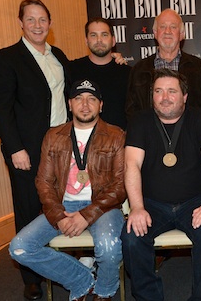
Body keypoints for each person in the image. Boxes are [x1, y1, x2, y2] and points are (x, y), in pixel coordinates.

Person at [9, 79, 126, 301]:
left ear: (101, 105)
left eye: (91, 99)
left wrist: (86, 214)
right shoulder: (53, 136)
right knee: (19, 247)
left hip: (103, 205)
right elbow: (43, 182)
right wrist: (58, 215)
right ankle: (83, 280)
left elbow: (120, 186)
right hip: (63, 204)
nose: (85, 104)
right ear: (69, 104)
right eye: (78, 99)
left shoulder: (116, 135)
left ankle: (106, 290)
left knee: (109, 247)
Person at [0, 0, 70, 300]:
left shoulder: (57, 55)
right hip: (27, 150)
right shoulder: (6, 58)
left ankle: (61, 264)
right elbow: (0, 107)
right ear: (20, 22)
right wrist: (14, 148)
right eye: (31, 19)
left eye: (43, 19)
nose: (37, 25)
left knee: (62, 206)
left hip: (63, 148)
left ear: (50, 24)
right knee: (28, 210)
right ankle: (31, 277)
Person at [121, 68, 201, 300]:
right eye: (158, 91)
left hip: (194, 203)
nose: (164, 97)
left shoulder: (200, 118)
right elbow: (131, 165)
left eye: (171, 91)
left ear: (184, 96)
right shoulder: (140, 121)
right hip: (152, 204)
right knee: (131, 237)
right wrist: (136, 208)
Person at [125, 8, 201, 119]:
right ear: (155, 33)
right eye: (162, 27)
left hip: (189, 134)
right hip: (150, 135)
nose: (167, 31)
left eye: (173, 27)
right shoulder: (139, 69)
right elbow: (131, 110)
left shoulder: (197, 67)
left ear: (181, 34)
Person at [70, 17, 131, 129]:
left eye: (104, 35)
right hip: (81, 143)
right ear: (86, 40)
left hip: (119, 142)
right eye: (93, 35)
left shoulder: (128, 73)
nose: (99, 40)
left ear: (113, 40)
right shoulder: (72, 70)